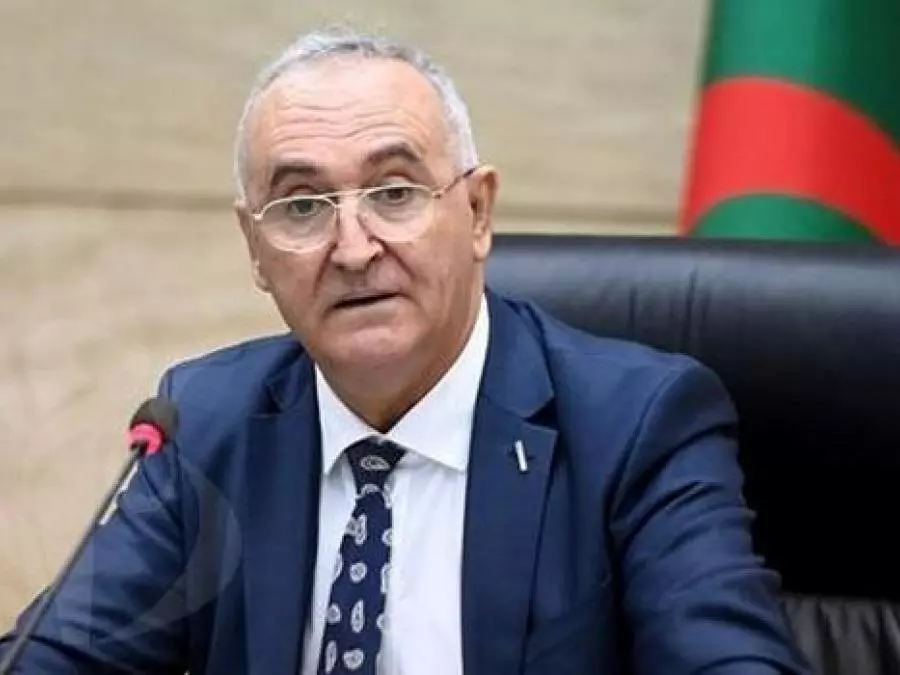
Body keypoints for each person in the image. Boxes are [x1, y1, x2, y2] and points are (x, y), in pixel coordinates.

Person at [0, 28, 810, 674]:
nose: (353, 249)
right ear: (255, 249)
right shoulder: (205, 427)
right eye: (303, 205)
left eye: (394, 193)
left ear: (478, 212)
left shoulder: (635, 424)